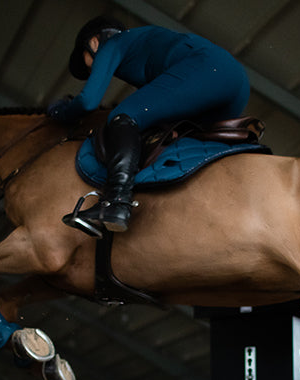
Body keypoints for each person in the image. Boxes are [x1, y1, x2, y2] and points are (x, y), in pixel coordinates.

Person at [48, 17, 250, 236]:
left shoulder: (113, 44)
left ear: (94, 42)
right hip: (236, 85)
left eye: (84, 60)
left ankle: (115, 202)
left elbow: (88, 101)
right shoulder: (143, 46)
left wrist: (61, 111)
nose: (89, 71)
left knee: (123, 116)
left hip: (206, 67)